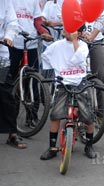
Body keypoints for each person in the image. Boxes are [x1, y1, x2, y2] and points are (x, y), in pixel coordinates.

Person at [40, 25, 98, 160]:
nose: (66, 31)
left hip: (79, 82)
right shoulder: (57, 45)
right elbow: (46, 58)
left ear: (79, 33)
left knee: (88, 115)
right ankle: (52, 147)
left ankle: (89, 145)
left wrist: (75, 41)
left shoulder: (82, 45)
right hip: (63, 82)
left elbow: (79, 59)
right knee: (55, 114)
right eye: (65, 27)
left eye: (71, 29)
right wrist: (56, 70)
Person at [9, 0, 52, 128]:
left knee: (33, 81)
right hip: (13, 42)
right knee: (11, 81)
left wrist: (43, 31)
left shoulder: (34, 1)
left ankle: (32, 116)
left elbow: (37, 20)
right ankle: (11, 117)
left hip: (30, 43)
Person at [0, 0, 27, 149]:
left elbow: (13, 22)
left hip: (1, 55)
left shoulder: (5, 3)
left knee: (7, 95)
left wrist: (9, 36)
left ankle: (12, 134)